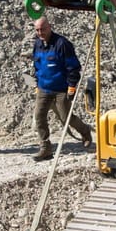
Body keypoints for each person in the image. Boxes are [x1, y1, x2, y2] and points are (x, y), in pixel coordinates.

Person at [28, 16, 93, 161]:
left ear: (49, 27)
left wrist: (71, 86)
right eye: (37, 30)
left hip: (61, 89)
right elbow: (37, 66)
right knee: (39, 117)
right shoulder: (37, 44)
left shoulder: (62, 44)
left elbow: (73, 66)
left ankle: (85, 131)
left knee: (66, 118)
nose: (40, 32)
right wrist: (37, 83)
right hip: (44, 88)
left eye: (42, 29)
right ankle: (45, 148)